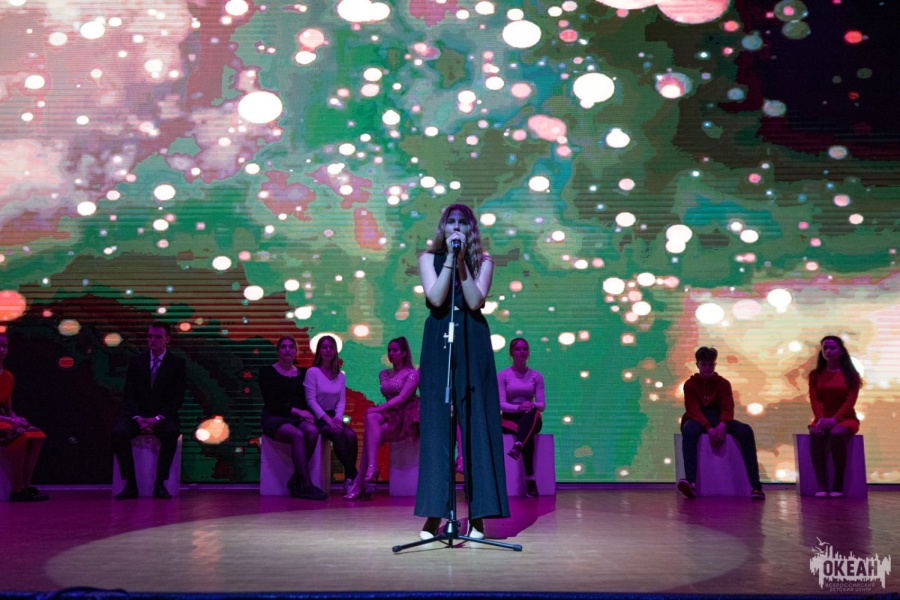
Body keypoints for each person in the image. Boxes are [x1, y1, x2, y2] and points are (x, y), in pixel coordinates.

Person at [415, 203, 509, 541]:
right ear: (443, 228)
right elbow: (436, 297)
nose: (457, 228)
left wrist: (463, 265)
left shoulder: (484, 262)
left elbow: (474, 301)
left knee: (475, 425)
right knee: (437, 426)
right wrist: (450, 261)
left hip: (473, 341)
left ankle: (478, 516)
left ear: (471, 230)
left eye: (463, 223)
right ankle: (434, 514)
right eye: (451, 222)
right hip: (439, 339)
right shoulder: (428, 259)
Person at [677, 346, 764, 500]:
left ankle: (756, 486)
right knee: (689, 429)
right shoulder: (690, 384)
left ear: (715, 364)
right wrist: (708, 428)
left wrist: (723, 424)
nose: (707, 368)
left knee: (746, 430)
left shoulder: (723, 383)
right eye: (704, 364)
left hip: (719, 418)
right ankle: (691, 481)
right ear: (697, 365)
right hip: (698, 420)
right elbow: (693, 410)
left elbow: (727, 407)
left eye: (710, 364)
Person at [112, 321, 186, 500]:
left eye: (157, 337)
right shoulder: (137, 362)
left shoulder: (177, 364)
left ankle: (160, 484)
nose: (152, 340)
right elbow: (129, 394)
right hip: (138, 415)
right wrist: (138, 417)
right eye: (150, 336)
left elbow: (176, 397)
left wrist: (158, 418)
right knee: (118, 434)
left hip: (163, 416)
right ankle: (130, 484)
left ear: (167, 339)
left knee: (170, 433)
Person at [344, 337, 420, 500]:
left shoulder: (412, 374)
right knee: (371, 418)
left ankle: (359, 482)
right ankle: (372, 467)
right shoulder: (384, 374)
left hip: (406, 414)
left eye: (395, 350)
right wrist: (379, 409)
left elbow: (402, 398)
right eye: (389, 350)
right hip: (389, 412)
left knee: (369, 435)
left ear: (404, 353)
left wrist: (379, 408)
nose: (391, 354)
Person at [260, 336, 328, 500]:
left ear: (296, 352)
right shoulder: (267, 372)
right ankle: (306, 485)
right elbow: (271, 402)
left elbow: (306, 399)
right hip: (274, 417)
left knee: (312, 431)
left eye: (291, 347)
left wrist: (309, 414)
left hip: (295, 418)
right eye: (283, 347)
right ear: (278, 351)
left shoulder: (303, 373)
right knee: (296, 435)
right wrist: (298, 412)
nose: (287, 350)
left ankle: (295, 480)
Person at [807, 335, 861, 498]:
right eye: (825, 348)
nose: (828, 351)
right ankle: (821, 484)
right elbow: (814, 399)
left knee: (836, 433)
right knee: (816, 434)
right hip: (823, 418)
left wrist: (835, 420)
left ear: (841, 351)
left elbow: (850, 401)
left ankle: (838, 482)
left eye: (832, 348)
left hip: (846, 419)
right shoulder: (815, 375)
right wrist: (820, 419)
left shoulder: (851, 374)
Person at [303, 335, 358, 491]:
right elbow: (311, 401)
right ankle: (356, 477)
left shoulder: (340, 376)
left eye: (331, 347)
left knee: (351, 435)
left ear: (335, 351)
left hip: (334, 417)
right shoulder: (312, 372)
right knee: (338, 433)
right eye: (324, 347)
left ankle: (349, 479)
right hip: (318, 418)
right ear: (319, 351)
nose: (328, 350)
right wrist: (328, 420)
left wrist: (338, 418)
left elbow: (341, 401)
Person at [0, 331, 49, 502]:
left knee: (36, 434)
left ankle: (26, 485)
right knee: (20, 436)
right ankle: (17, 488)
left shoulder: (8, 376)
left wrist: (16, 418)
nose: (2, 350)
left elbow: (8, 409)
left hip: (4, 420)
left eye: (5, 346)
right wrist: (10, 421)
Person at [498, 337, 546, 498]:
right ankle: (530, 478)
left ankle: (518, 445)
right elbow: (501, 404)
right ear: (511, 353)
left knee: (531, 414)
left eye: (525, 349)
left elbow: (542, 405)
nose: (522, 352)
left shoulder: (536, 376)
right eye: (518, 349)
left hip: (530, 415)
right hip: (510, 417)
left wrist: (531, 404)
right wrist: (518, 407)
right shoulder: (503, 375)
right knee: (527, 435)